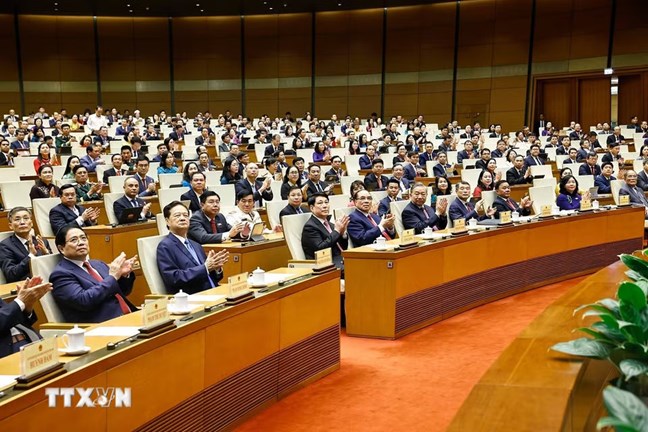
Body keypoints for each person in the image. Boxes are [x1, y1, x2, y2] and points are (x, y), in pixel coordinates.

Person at [50, 226, 137, 323]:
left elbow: (123, 291)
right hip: (103, 325)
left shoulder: (98, 264)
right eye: (74, 240)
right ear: (61, 248)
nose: (81, 243)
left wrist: (123, 275)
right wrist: (112, 277)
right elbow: (84, 301)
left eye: (83, 238)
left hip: (129, 317)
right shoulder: (61, 275)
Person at [157, 201, 228, 294]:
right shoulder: (165, 246)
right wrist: (205, 267)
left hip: (213, 291)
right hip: (193, 296)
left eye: (185, 215)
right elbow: (174, 278)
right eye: (177, 215)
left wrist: (216, 268)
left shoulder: (196, 245)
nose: (182, 218)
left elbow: (211, 276)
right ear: (167, 221)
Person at [0, 276, 52, 358]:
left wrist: (27, 305)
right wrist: (20, 302)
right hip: (9, 353)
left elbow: (9, 320)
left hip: (31, 342)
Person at [0, 207, 51, 282]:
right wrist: (31, 256)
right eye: (17, 219)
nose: (22, 222)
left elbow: (53, 267)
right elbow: (11, 275)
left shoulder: (42, 241)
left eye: (26, 218)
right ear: (10, 225)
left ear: (32, 223)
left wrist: (47, 254)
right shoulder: (5, 246)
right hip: (26, 284)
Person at [301, 193, 349, 268]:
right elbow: (321, 250)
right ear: (312, 208)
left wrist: (343, 234)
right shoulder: (310, 227)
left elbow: (342, 248)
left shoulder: (331, 225)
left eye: (326, 202)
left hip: (339, 259)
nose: (325, 206)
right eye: (320, 203)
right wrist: (336, 231)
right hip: (324, 263)